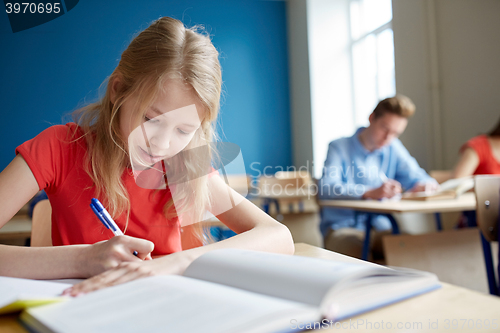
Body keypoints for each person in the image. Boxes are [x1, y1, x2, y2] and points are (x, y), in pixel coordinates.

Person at [0, 17, 294, 294]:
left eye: (183, 131)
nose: (162, 145)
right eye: (151, 119)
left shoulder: (183, 166)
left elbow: (279, 237)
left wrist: (179, 262)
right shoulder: (60, 147)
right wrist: (82, 259)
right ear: (118, 90)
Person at [318, 95, 438, 259]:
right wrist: (368, 192)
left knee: (413, 248)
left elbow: (417, 175)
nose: (388, 138)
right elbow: (326, 187)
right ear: (371, 118)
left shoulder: (393, 147)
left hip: (381, 227)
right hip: (343, 228)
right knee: (358, 255)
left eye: (396, 133)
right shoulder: (339, 147)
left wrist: (426, 184)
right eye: (385, 129)